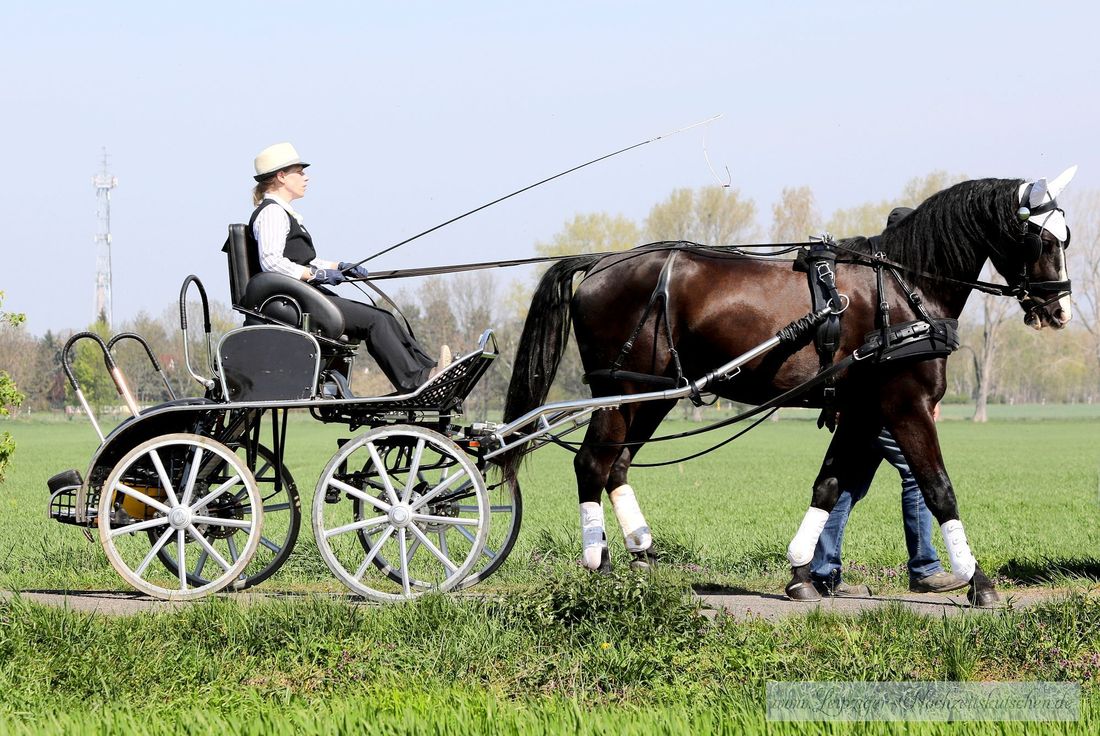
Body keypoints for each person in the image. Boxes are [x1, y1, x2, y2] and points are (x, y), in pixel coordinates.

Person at [810, 208, 967, 598]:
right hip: (885, 413)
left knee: (845, 485)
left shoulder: (889, 290)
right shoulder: (889, 292)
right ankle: (924, 567)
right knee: (916, 473)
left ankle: (822, 571)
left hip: (872, 409)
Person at [249, 142, 444, 392]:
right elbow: (272, 262)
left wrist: (338, 266)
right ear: (281, 176)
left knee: (383, 317)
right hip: (296, 304)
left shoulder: (282, 213)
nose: (305, 177)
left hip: (303, 296)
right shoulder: (272, 214)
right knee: (375, 321)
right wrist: (316, 274)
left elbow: (299, 259)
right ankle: (415, 381)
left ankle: (428, 371)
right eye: (300, 171)